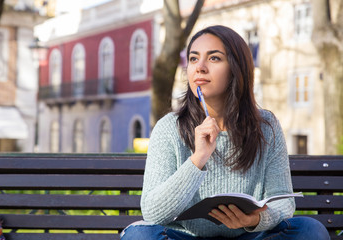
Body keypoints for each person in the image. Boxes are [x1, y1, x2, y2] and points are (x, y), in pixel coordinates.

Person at [120, 25, 330, 240]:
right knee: (140, 235)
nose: (199, 67)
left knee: (309, 229)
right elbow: (153, 213)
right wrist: (198, 159)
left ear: (236, 69)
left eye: (214, 58)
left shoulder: (266, 126)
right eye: (193, 59)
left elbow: (283, 202)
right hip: (185, 237)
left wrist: (255, 221)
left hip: (248, 236)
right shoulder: (169, 128)